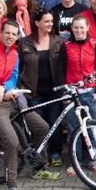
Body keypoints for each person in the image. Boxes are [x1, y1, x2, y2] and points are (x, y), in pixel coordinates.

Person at [0, 20, 61, 190]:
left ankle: (38, 167)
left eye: (14, 34)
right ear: (0, 33)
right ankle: (11, 187)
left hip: (8, 98)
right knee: (11, 141)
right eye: (7, 33)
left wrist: (4, 88)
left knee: (42, 127)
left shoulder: (14, 54)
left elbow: (12, 78)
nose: (10, 37)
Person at [57, 14, 96, 176]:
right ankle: (75, 161)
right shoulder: (66, 46)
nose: (79, 30)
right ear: (72, 28)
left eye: (81, 27)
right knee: (73, 128)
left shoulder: (95, 45)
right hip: (72, 93)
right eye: (76, 27)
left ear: (87, 28)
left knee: (91, 127)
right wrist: (64, 92)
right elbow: (61, 70)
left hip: (91, 93)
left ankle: (92, 160)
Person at [17, 9, 65, 166]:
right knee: (40, 125)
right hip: (33, 91)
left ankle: (55, 152)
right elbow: (17, 67)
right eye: (46, 21)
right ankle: (40, 156)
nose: (50, 24)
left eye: (51, 21)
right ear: (37, 23)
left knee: (54, 123)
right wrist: (19, 87)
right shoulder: (25, 42)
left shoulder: (59, 41)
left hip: (54, 91)